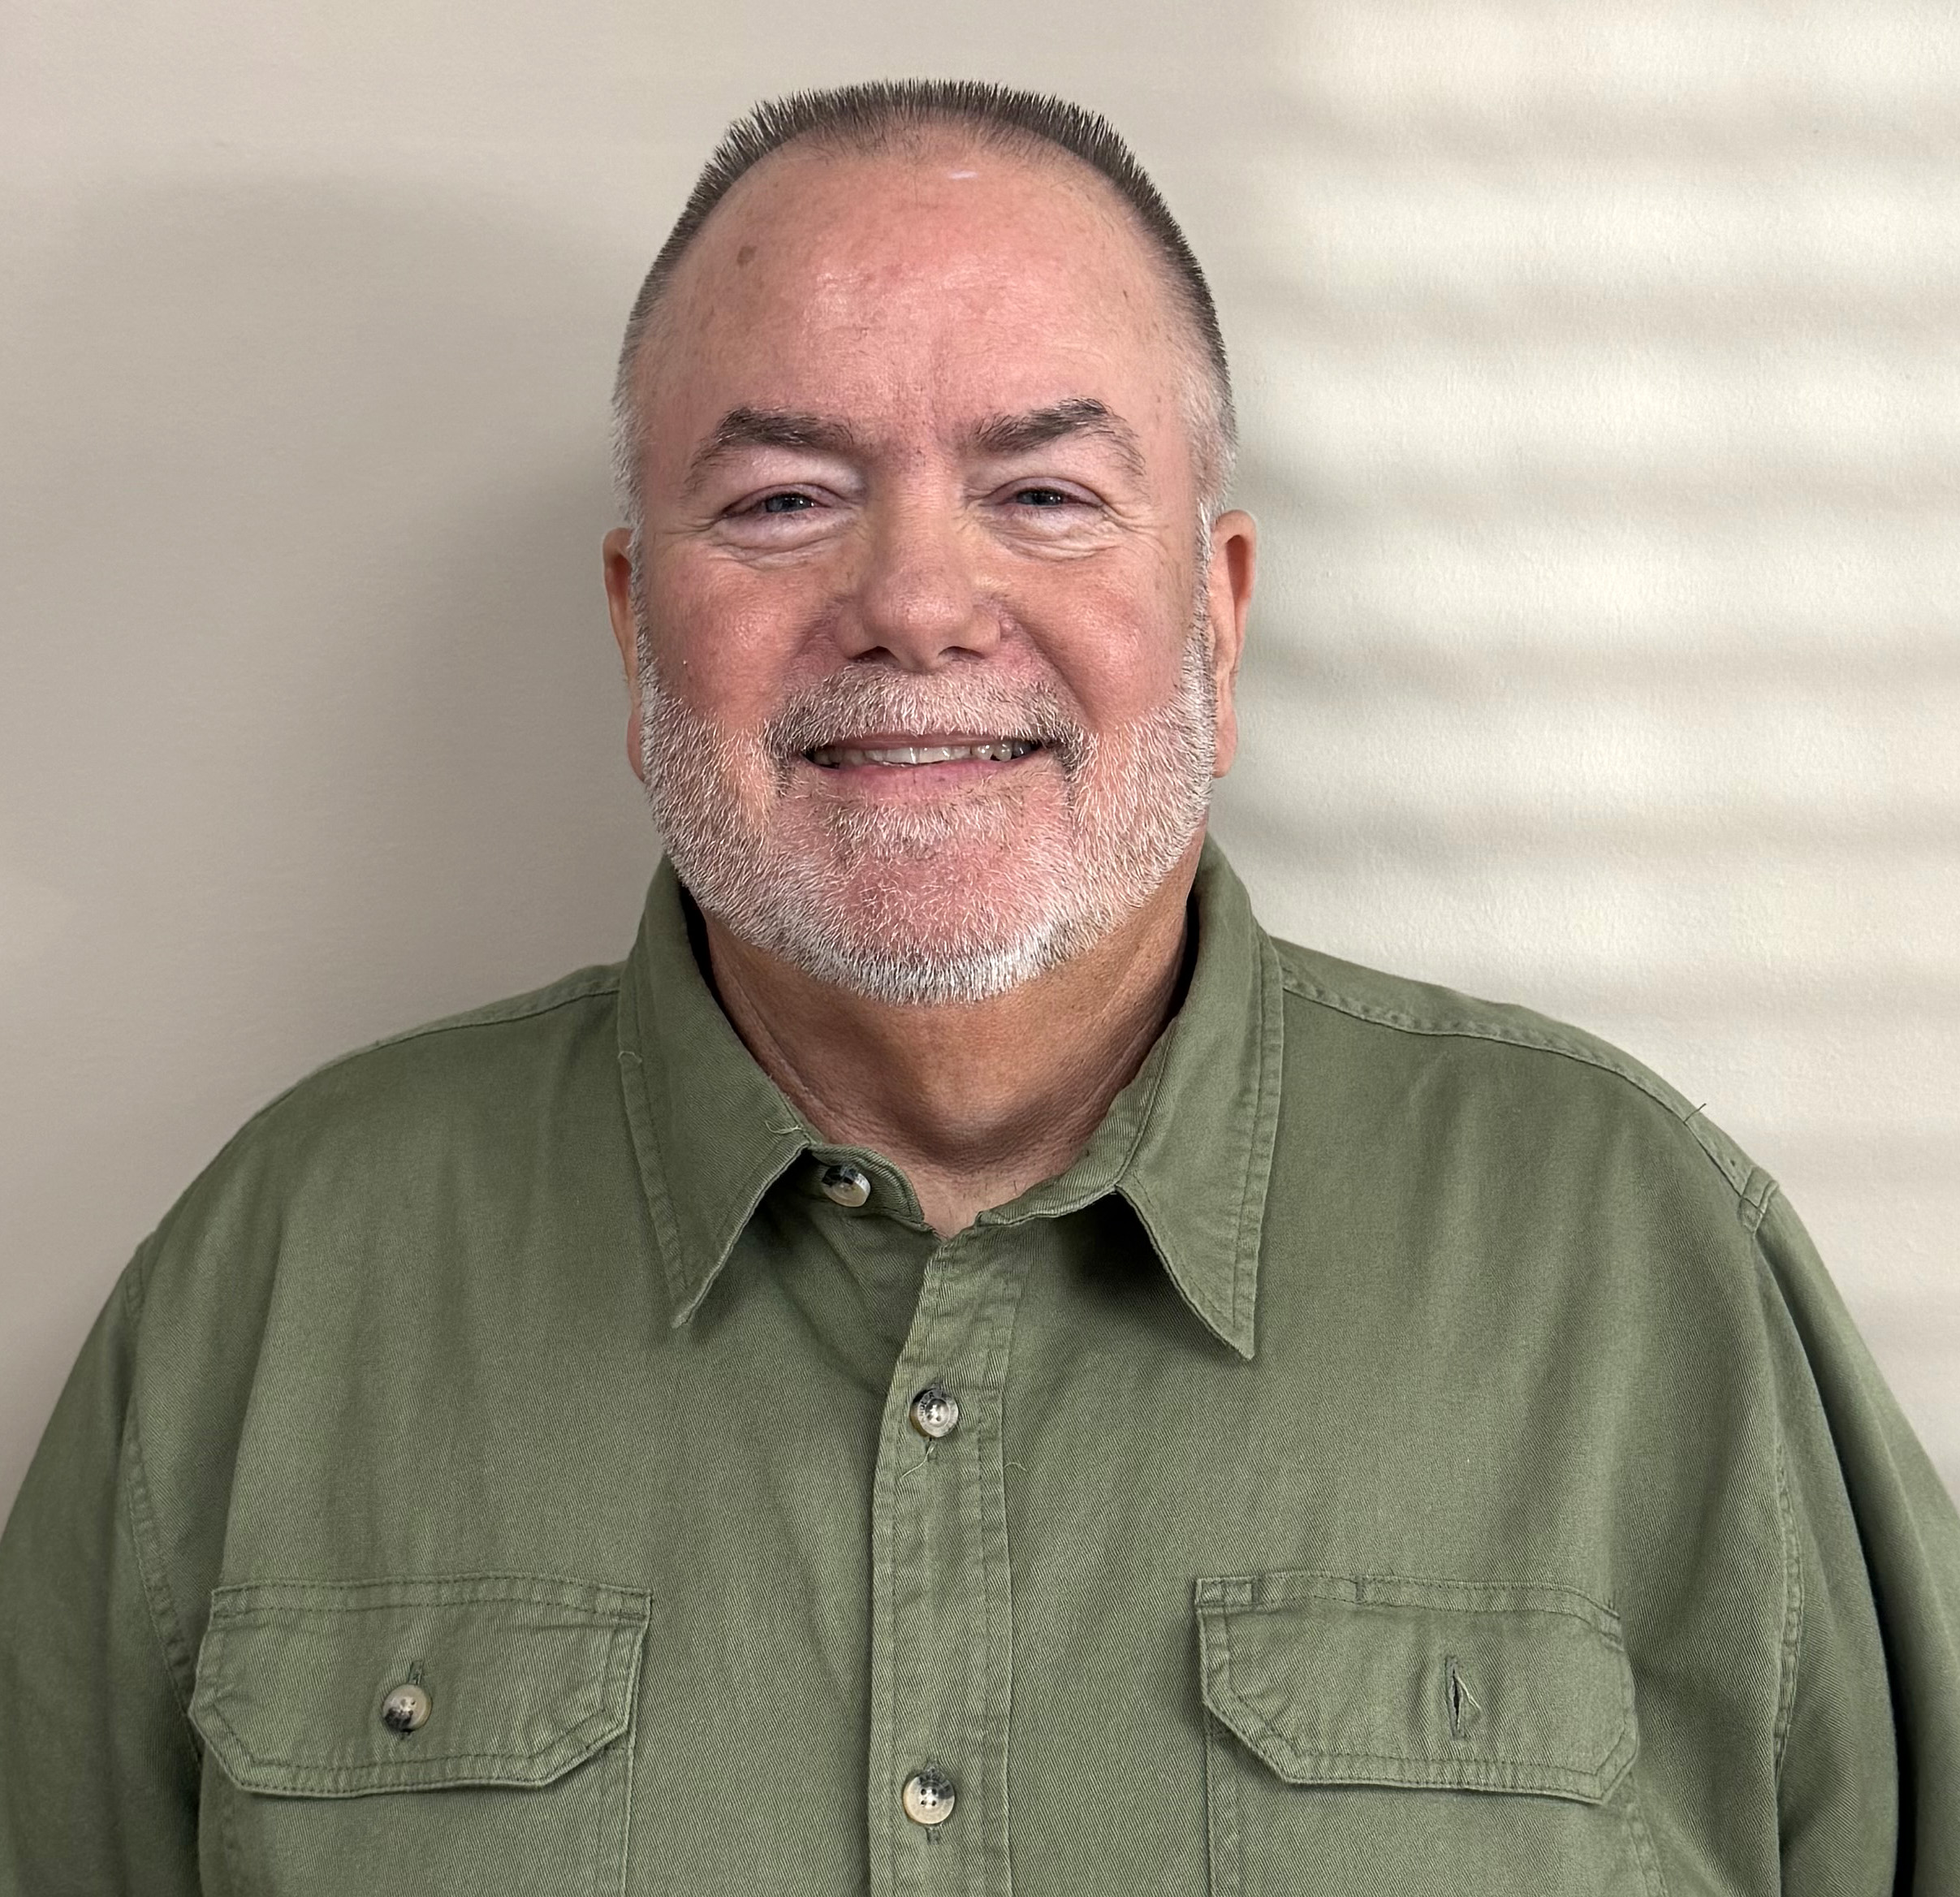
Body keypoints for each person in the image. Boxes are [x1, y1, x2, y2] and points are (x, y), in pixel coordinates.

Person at [0, 77, 1954, 1897]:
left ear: (1218, 614)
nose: (918, 603)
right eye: (782, 499)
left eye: (1044, 494)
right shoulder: (282, 1282)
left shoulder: (1638, 1259)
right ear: (634, 623)